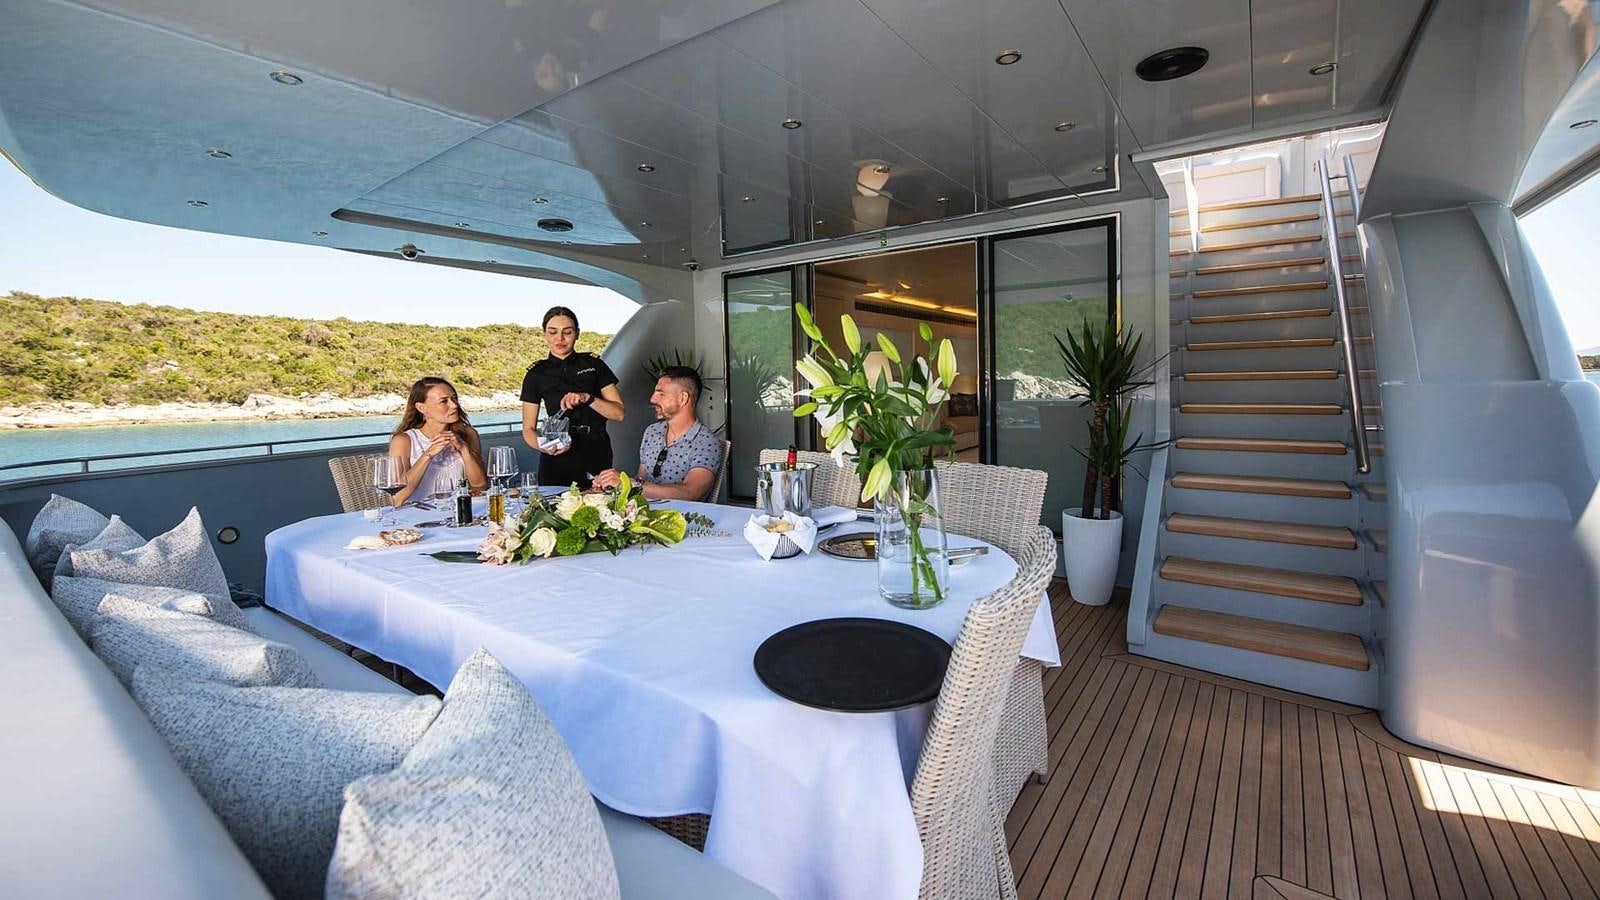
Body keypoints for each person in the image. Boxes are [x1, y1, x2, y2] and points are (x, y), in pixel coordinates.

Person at [521, 306, 625, 490]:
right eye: (553, 332)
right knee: (554, 512)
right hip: (556, 455)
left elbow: (618, 413)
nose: (560, 339)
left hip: (595, 450)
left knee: (599, 510)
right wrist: (544, 446)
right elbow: (528, 429)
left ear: (577, 334)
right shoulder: (536, 374)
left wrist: (588, 397)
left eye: (567, 332)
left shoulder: (594, 365)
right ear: (544, 334)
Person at [593, 366, 722, 501]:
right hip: (644, 515)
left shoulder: (706, 442)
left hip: (682, 519)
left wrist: (627, 483)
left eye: (661, 394)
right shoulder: (652, 432)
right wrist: (610, 484)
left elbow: (691, 493)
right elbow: (641, 480)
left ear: (683, 398)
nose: (652, 399)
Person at [388, 377, 487, 506]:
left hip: (458, 514)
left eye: (454, 398)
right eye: (444, 401)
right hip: (415, 518)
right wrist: (428, 454)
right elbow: (396, 499)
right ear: (422, 408)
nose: (454, 405)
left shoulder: (468, 434)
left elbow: (480, 487)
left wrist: (464, 450)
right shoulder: (404, 441)